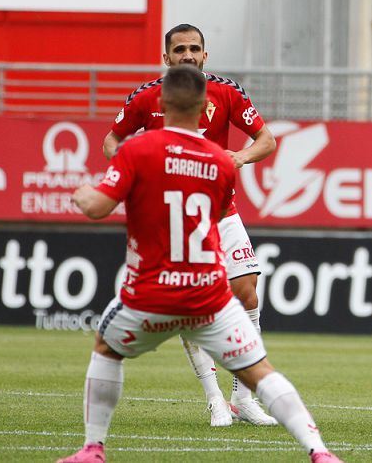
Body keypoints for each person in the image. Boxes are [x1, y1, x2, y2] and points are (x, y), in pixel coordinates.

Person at [61, 65, 342, 463]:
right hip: (207, 295)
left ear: (160, 104)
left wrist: (82, 192)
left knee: (107, 348)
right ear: (204, 109)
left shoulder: (136, 153)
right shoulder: (222, 164)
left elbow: (97, 207)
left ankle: (92, 449)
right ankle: (319, 451)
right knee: (260, 370)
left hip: (151, 293)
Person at [103, 23, 278, 427]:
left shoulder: (227, 92)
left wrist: (238, 157)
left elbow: (266, 139)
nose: (187, 55)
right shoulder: (147, 98)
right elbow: (112, 140)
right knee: (189, 304)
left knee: (248, 291)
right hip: (173, 218)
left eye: (194, 48)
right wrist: (133, 168)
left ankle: (244, 398)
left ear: (205, 55)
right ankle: (214, 398)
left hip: (221, 210)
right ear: (166, 58)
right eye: (179, 49)